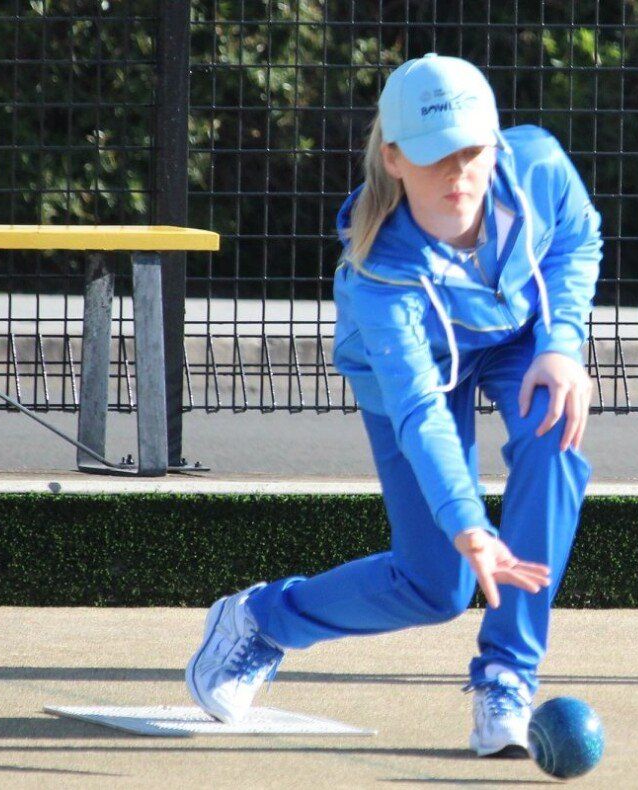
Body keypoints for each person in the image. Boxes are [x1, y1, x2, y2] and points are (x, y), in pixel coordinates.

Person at [186, 53, 602, 756]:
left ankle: (507, 676)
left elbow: (576, 238)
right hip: (412, 373)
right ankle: (261, 619)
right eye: (436, 156)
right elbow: (419, 411)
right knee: (435, 587)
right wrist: (467, 523)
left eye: (471, 152)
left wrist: (562, 343)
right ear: (395, 157)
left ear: (495, 145)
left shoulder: (537, 163)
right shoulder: (379, 270)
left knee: (553, 436)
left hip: (512, 339)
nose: (458, 173)